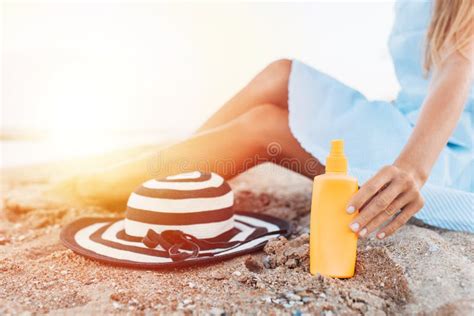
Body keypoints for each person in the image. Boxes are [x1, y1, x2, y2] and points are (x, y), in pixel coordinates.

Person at [57, 0, 474, 236]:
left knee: (265, 128)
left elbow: (458, 68)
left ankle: (119, 184)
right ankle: (172, 177)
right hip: (398, 121)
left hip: (442, 155)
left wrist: (412, 170)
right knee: (283, 74)